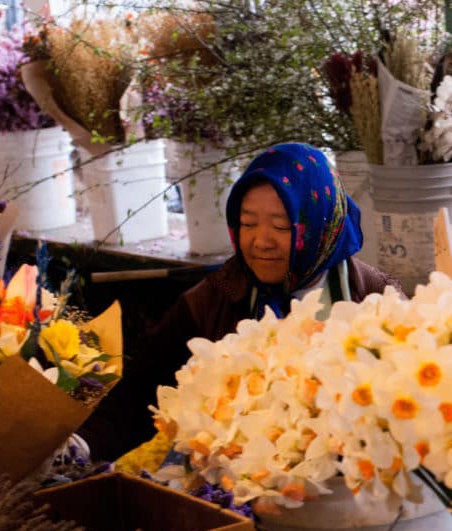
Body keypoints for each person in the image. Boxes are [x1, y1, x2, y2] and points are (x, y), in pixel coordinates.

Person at [78, 143, 402, 462]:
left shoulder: (374, 299)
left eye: (281, 226)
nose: (261, 241)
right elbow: (137, 395)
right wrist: (79, 447)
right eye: (247, 224)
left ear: (320, 226)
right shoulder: (218, 294)